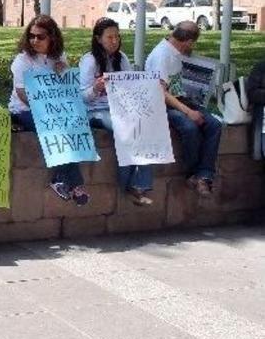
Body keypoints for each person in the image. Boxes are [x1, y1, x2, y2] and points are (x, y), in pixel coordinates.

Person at [9, 15, 90, 206]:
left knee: (74, 126)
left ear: (52, 37)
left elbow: (68, 89)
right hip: (24, 110)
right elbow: (21, 94)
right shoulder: (23, 61)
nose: (34, 40)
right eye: (31, 36)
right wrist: (45, 110)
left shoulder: (59, 57)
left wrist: (65, 73)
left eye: (40, 36)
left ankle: (62, 179)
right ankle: (74, 184)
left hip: (55, 109)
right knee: (55, 128)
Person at [80, 18, 154, 206]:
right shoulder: (89, 61)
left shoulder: (122, 58)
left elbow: (130, 87)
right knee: (126, 130)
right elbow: (81, 97)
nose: (114, 41)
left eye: (117, 37)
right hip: (95, 110)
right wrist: (96, 89)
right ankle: (129, 186)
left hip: (120, 108)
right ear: (98, 39)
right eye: (109, 37)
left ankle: (139, 184)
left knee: (146, 128)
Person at [145, 21, 222, 197]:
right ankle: (193, 174)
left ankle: (205, 174)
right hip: (161, 105)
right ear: (188, 41)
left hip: (181, 99)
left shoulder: (176, 52)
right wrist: (188, 112)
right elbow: (161, 93)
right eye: (193, 43)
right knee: (190, 127)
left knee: (214, 125)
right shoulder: (162, 56)